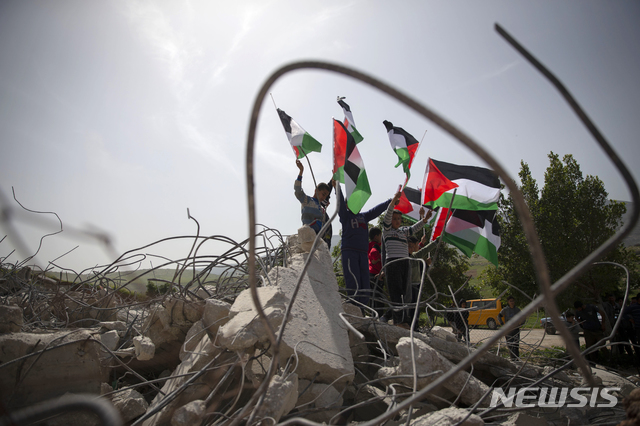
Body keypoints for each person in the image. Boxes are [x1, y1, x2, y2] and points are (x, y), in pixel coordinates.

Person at [382, 190, 432, 329]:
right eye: (394, 219)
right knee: (396, 293)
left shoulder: (404, 231)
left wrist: (425, 220)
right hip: (393, 263)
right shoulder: (387, 230)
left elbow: (415, 228)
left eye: (399, 219)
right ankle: (398, 321)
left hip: (405, 263)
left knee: (407, 294)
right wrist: (393, 201)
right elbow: (387, 215)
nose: (397, 221)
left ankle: (405, 321)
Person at [335, 183, 390, 306]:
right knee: (353, 280)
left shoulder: (364, 216)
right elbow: (340, 205)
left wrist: (390, 202)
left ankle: (362, 309)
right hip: (350, 252)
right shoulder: (345, 216)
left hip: (363, 253)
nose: (357, 205)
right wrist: (337, 188)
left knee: (364, 281)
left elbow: (376, 210)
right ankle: (353, 307)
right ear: (347, 205)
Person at [294, 160, 332, 245]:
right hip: (306, 237)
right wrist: (301, 172)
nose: (324, 198)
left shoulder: (321, 210)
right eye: (323, 194)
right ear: (316, 190)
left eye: (326, 196)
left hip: (317, 240)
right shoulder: (306, 200)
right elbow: (297, 190)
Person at [368, 227, 388, 320]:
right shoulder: (375, 247)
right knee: (379, 297)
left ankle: (374, 315)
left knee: (374, 296)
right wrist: (379, 259)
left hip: (371, 273)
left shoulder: (370, 245)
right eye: (380, 235)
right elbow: (374, 259)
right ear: (376, 236)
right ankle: (378, 316)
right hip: (376, 274)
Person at [498, 296, 524, 360]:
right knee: (510, 345)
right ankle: (512, 358)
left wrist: (522, 324)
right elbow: (499, 316)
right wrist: (502, 324)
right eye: (510, 301)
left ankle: (517, 359)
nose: (512, 302)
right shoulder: (505, 310)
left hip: (516, 329)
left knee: (516, 345)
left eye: (513, 301)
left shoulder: (517, 310)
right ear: (508, 302)